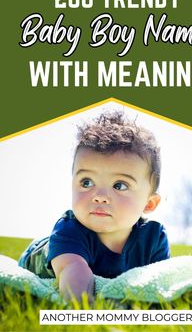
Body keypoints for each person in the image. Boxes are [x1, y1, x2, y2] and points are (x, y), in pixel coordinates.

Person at [19, 110, 170, 301]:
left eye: (119, 185)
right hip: (39, 255)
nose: (99, 197)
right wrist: (86, 315)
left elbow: (161, 282)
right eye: (87, 182)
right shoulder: (70, 229)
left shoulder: (153, 238)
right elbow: (73, 271)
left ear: (149, 204)